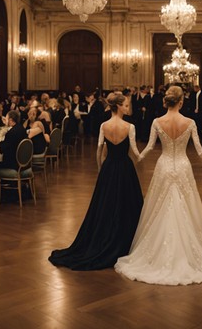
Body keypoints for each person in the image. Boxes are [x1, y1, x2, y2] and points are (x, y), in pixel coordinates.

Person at [115, 85, 202, 284]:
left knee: (160, 207)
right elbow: (200, 151)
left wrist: (138, 157)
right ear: (181, 101)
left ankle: (154, 253)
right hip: (183, 167)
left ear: (166, 101)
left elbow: (149, 147)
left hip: (164, 166)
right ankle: (189, 252)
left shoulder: (157, 122)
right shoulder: (190, 122)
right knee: (186, 207)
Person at [50, 92, 143, 270]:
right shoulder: (129, 127)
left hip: (108, 169)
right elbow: (135, 153)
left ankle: (104, 236)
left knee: (105, 206)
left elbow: (99, 151)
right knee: (127, 205)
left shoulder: (104, 126)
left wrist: (101, 169)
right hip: (125, 168)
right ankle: (128, 239)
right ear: (119, 106)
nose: (127, 107)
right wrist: (144, 155)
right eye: (125, 105)